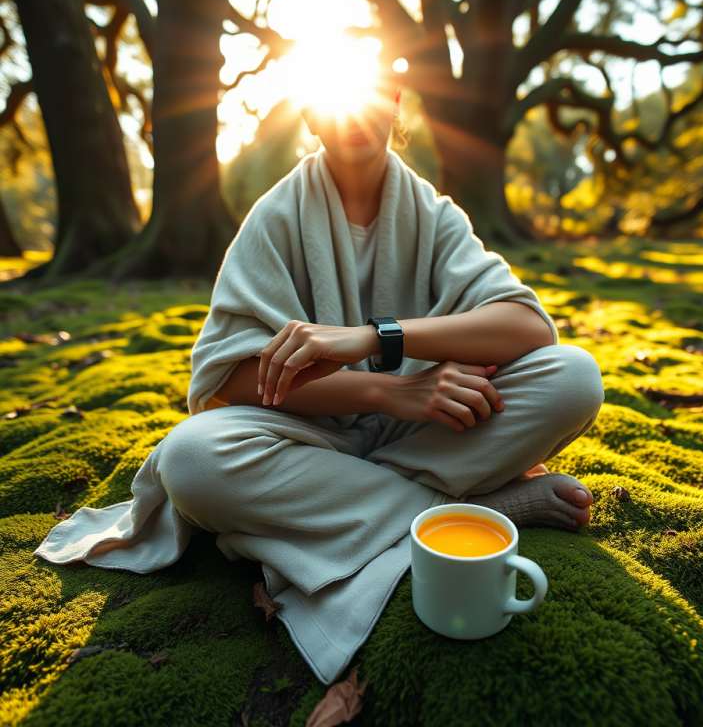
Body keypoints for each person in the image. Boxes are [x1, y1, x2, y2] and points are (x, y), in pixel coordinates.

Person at [33, 74, 604, 686]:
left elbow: (526, 326)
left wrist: (375, 338)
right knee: (191, 460)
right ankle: (467, 510)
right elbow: (229, 378)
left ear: (395, 102)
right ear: (309, 116)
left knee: (574, 377)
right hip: (305, 435)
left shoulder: (434, 214)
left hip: (426, 432)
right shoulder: (276, 215)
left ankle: (354, 511)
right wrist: (389, 390)